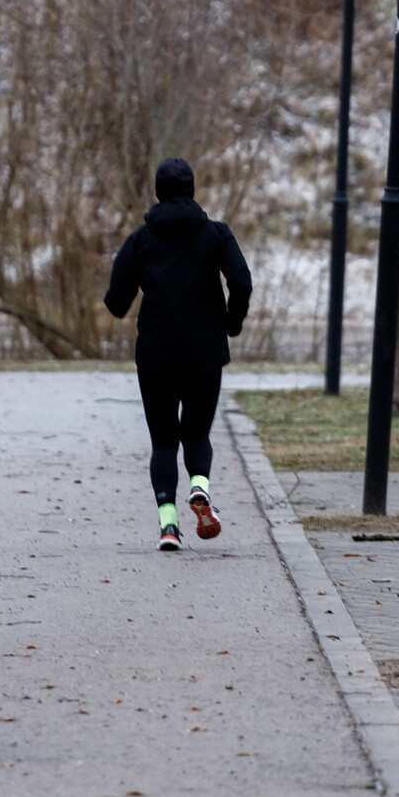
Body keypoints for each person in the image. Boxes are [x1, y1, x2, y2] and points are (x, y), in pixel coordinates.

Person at [104, 158, 252, 550]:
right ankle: (200, 488)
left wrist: (136, 296)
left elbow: (116, 300)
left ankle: (168, 526)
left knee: (164, 441)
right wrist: (231, 323)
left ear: (157, 192)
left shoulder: (142, 239)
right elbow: (242, 281)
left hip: (156, 356)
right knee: (198, 432)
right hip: (205, 353)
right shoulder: (216, 235)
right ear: (191, 190)